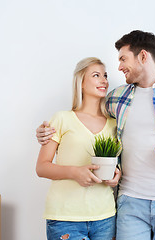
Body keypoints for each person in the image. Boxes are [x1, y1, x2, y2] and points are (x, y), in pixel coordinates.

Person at [36, 31, 155, 240]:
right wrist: (44, 132)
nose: (119, 67)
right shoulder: (116, 98)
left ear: (143, 56)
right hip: (130, 202)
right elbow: (82, 117)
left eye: (123, 59)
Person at [36, 57, 120, 240]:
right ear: (81, 83)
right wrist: (75, 172)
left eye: (105, 75)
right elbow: (41, 167)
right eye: (96, 75)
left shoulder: (114, 124)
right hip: (65, 218)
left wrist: (116, 175)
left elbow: (119, 164)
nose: (104, 80)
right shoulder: (62, 118)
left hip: (105, 217)